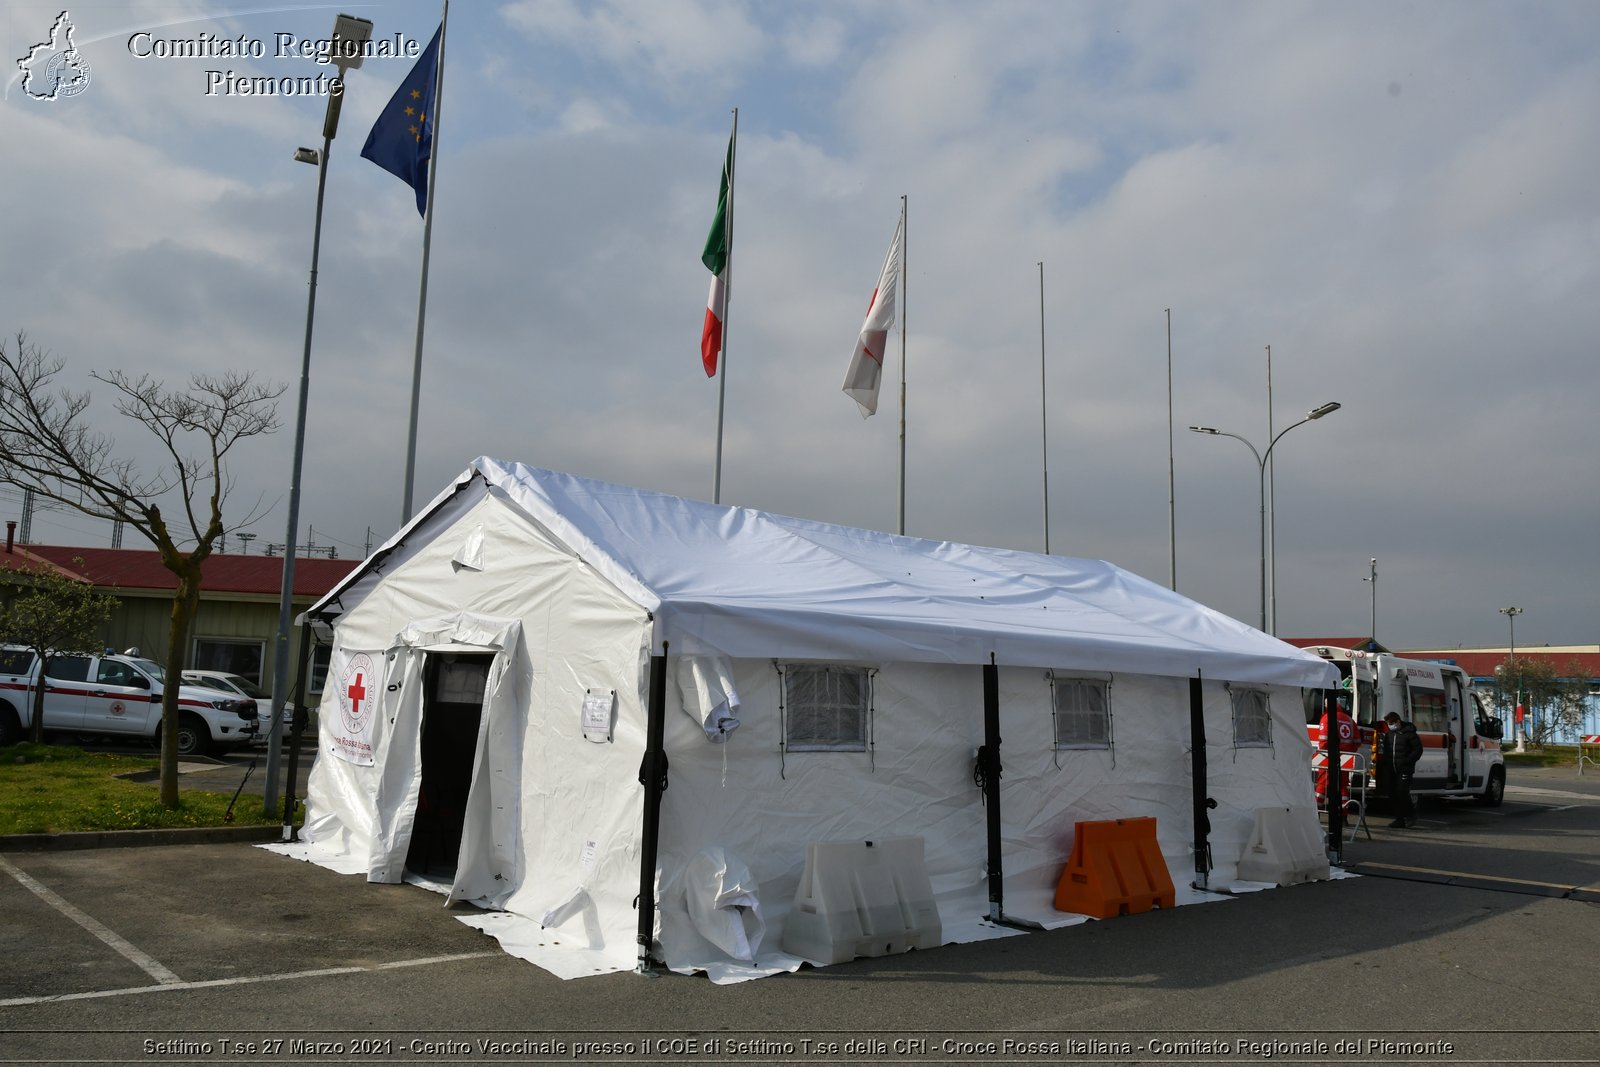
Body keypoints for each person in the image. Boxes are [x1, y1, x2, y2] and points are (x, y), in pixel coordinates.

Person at [1380, 711, 1422, 827]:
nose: (1390, 725)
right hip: (1391, 768)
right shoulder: (1389, 734)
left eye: (1391, 723)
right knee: (1392, 793)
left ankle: (1410, 815)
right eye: (1388, 723)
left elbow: (1418, 750)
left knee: (1402, 792)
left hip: (1404, 769)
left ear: (1398, 722)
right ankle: (1399, 818)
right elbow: (1386, 750)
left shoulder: (1409, 733)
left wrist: (1407, 761)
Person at [1315, 700, 1360, 807]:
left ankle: (1317, 811)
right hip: (1345, 759)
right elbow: (1357, 741)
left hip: (1328, 757)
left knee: (1323, 785)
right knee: (1342, 786)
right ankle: (1343, 814)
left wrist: (1325, 753)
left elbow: (1323, 742)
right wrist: (1348, 752)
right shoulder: (1350, 720)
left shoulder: (1327, 718)